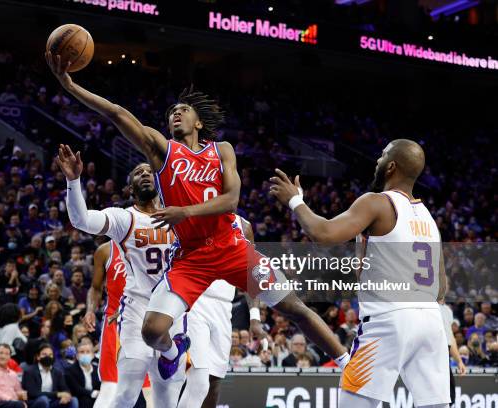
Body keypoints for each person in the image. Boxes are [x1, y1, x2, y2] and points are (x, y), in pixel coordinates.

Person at [47, 55, 348, 382]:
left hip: (232, 248)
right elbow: (116, 112)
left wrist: (184, 212)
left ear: (199, 122)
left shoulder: (222, 150)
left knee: (294, 308)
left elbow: (231, 200)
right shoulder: (162, 151)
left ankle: (350, 366)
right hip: (191, 257)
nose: (175, 113)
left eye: (183, 109)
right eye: (171, 112)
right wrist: (70, 85)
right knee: (152, 332)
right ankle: (173, 351)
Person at [269, 139, 450, 407]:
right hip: (431, 324)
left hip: (389, 320)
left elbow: (324, 234)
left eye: (382, 155)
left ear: (390, 166)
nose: (377, 160)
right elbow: (441, 287)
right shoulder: (428, 217)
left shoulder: (377, 203)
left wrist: (295, 201)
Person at [62, 159, 183, 408]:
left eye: (150, 171)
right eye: (139, 173)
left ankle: (174, 353)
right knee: (126, 393)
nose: (146, 174)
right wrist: (73, 181)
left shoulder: (180, 217)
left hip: (175, 311)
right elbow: (81, 220)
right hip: (137, 311)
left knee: (167, 398)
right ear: (131, 188)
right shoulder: (124, 218)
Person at [179, 215, 266, 408]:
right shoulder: (193, 217)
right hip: (194, 302)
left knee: (214, 380)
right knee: (198, 378)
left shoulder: (244, 226)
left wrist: (254, 318)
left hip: (224, 307)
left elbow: (252, 274)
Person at [86, 240, 151, 407]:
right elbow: (95, 287)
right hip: (116, 323)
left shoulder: (154, 244)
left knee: (153, 388)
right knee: (110, 386)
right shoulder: (105, 251)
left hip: (148, 322)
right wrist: (90, 310)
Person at [21, 343, 78, 408]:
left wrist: (66, 396)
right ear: (38, 357)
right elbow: (33, 393)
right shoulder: (29, 372)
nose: (47, 357)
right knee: (43, 399)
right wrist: (57, 394)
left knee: (73, 400)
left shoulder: (57, 372)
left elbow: (65, 389)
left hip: (53, 402)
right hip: (36, 402)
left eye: (50, 355)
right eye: (44, 354)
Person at [64, 340, 100, 408]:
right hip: (80, 398)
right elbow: (76, 389)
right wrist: (93, 393)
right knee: (86, 400)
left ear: (92, 355)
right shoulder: (70, 370)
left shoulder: (97, 369)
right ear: (77, 356)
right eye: (82, 352)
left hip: (96, 398)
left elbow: (100, 385)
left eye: (88, 352)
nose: (85, 354)